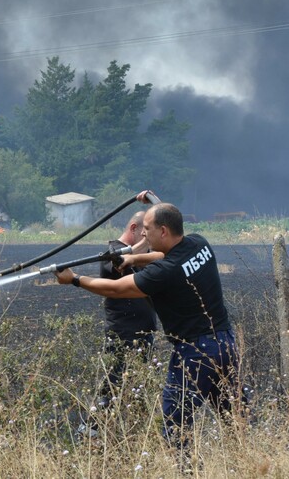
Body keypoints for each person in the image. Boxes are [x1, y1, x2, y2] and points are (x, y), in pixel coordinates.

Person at [56, 191, 247, 452]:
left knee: (174, 423)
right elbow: (166, 253)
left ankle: (185, 470)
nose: (144, 235)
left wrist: (75, 279)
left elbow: (117, 288)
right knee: (234, 414)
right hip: (225, 344)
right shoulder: (198, 243)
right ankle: (248, 461)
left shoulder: (164, 273)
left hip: (194, 353)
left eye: (148, 230)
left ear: (164, 231)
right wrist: (133, 258)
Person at [78, 211, 158, 436]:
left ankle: (135, 435)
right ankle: (88, 430)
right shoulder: (111, 253)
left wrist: (155, 204)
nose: (146, 236)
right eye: (143, 231)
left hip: (143, 333)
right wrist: (146, 240)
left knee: (139, 387)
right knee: (112, 385)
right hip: (123, 333)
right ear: (133, 228)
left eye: (148, 232)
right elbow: (120, 263)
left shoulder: (141, 254)